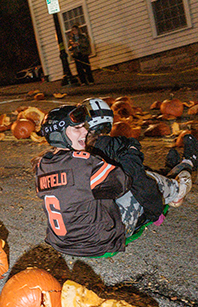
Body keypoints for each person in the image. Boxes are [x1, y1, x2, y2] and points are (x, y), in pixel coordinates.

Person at [33, 105, 194, 257]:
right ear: (58, 134)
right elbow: (126, 181)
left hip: (62, 243)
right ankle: (180, 185)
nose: (84, 132)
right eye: (77, 128)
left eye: (83, 126)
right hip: (99, 243)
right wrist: (130, 153)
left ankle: (172, 172)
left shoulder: (41, 165)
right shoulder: (84, 162)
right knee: (148, 179)